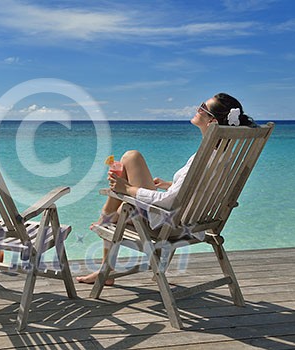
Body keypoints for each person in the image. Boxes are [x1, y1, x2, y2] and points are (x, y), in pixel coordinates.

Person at [76, 92, 256, 285]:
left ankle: (106, 244)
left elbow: (168, 202)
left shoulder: (204, 157)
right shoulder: (222, 156)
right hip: (196, 221)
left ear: (211, 122)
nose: (197, 109)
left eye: (202, 107)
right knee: (130, 164)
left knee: (129, 160)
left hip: (170, 224)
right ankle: (107, 222)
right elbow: (201, 191)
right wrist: (167, 185)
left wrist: (127, 189)